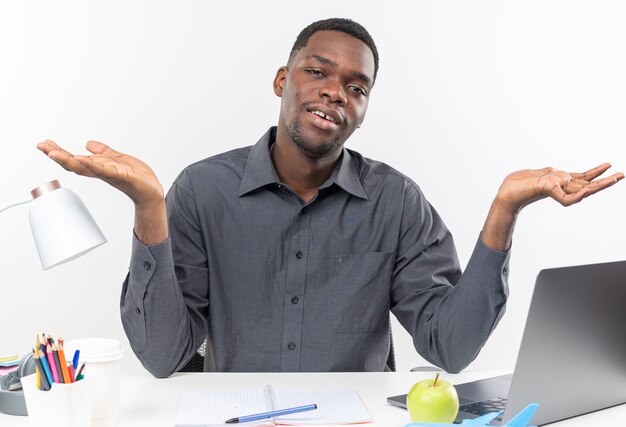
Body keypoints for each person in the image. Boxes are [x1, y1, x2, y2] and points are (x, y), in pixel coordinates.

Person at [37, 18, 622, 377]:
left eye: (356, 87)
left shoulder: (396, 202)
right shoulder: (201, 191)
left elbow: (450, 347)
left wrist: (504, 211)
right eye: (318, 72)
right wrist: (149, 210)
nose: (335, 93)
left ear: (364, 110)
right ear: (281, 82)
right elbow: (165, 356)